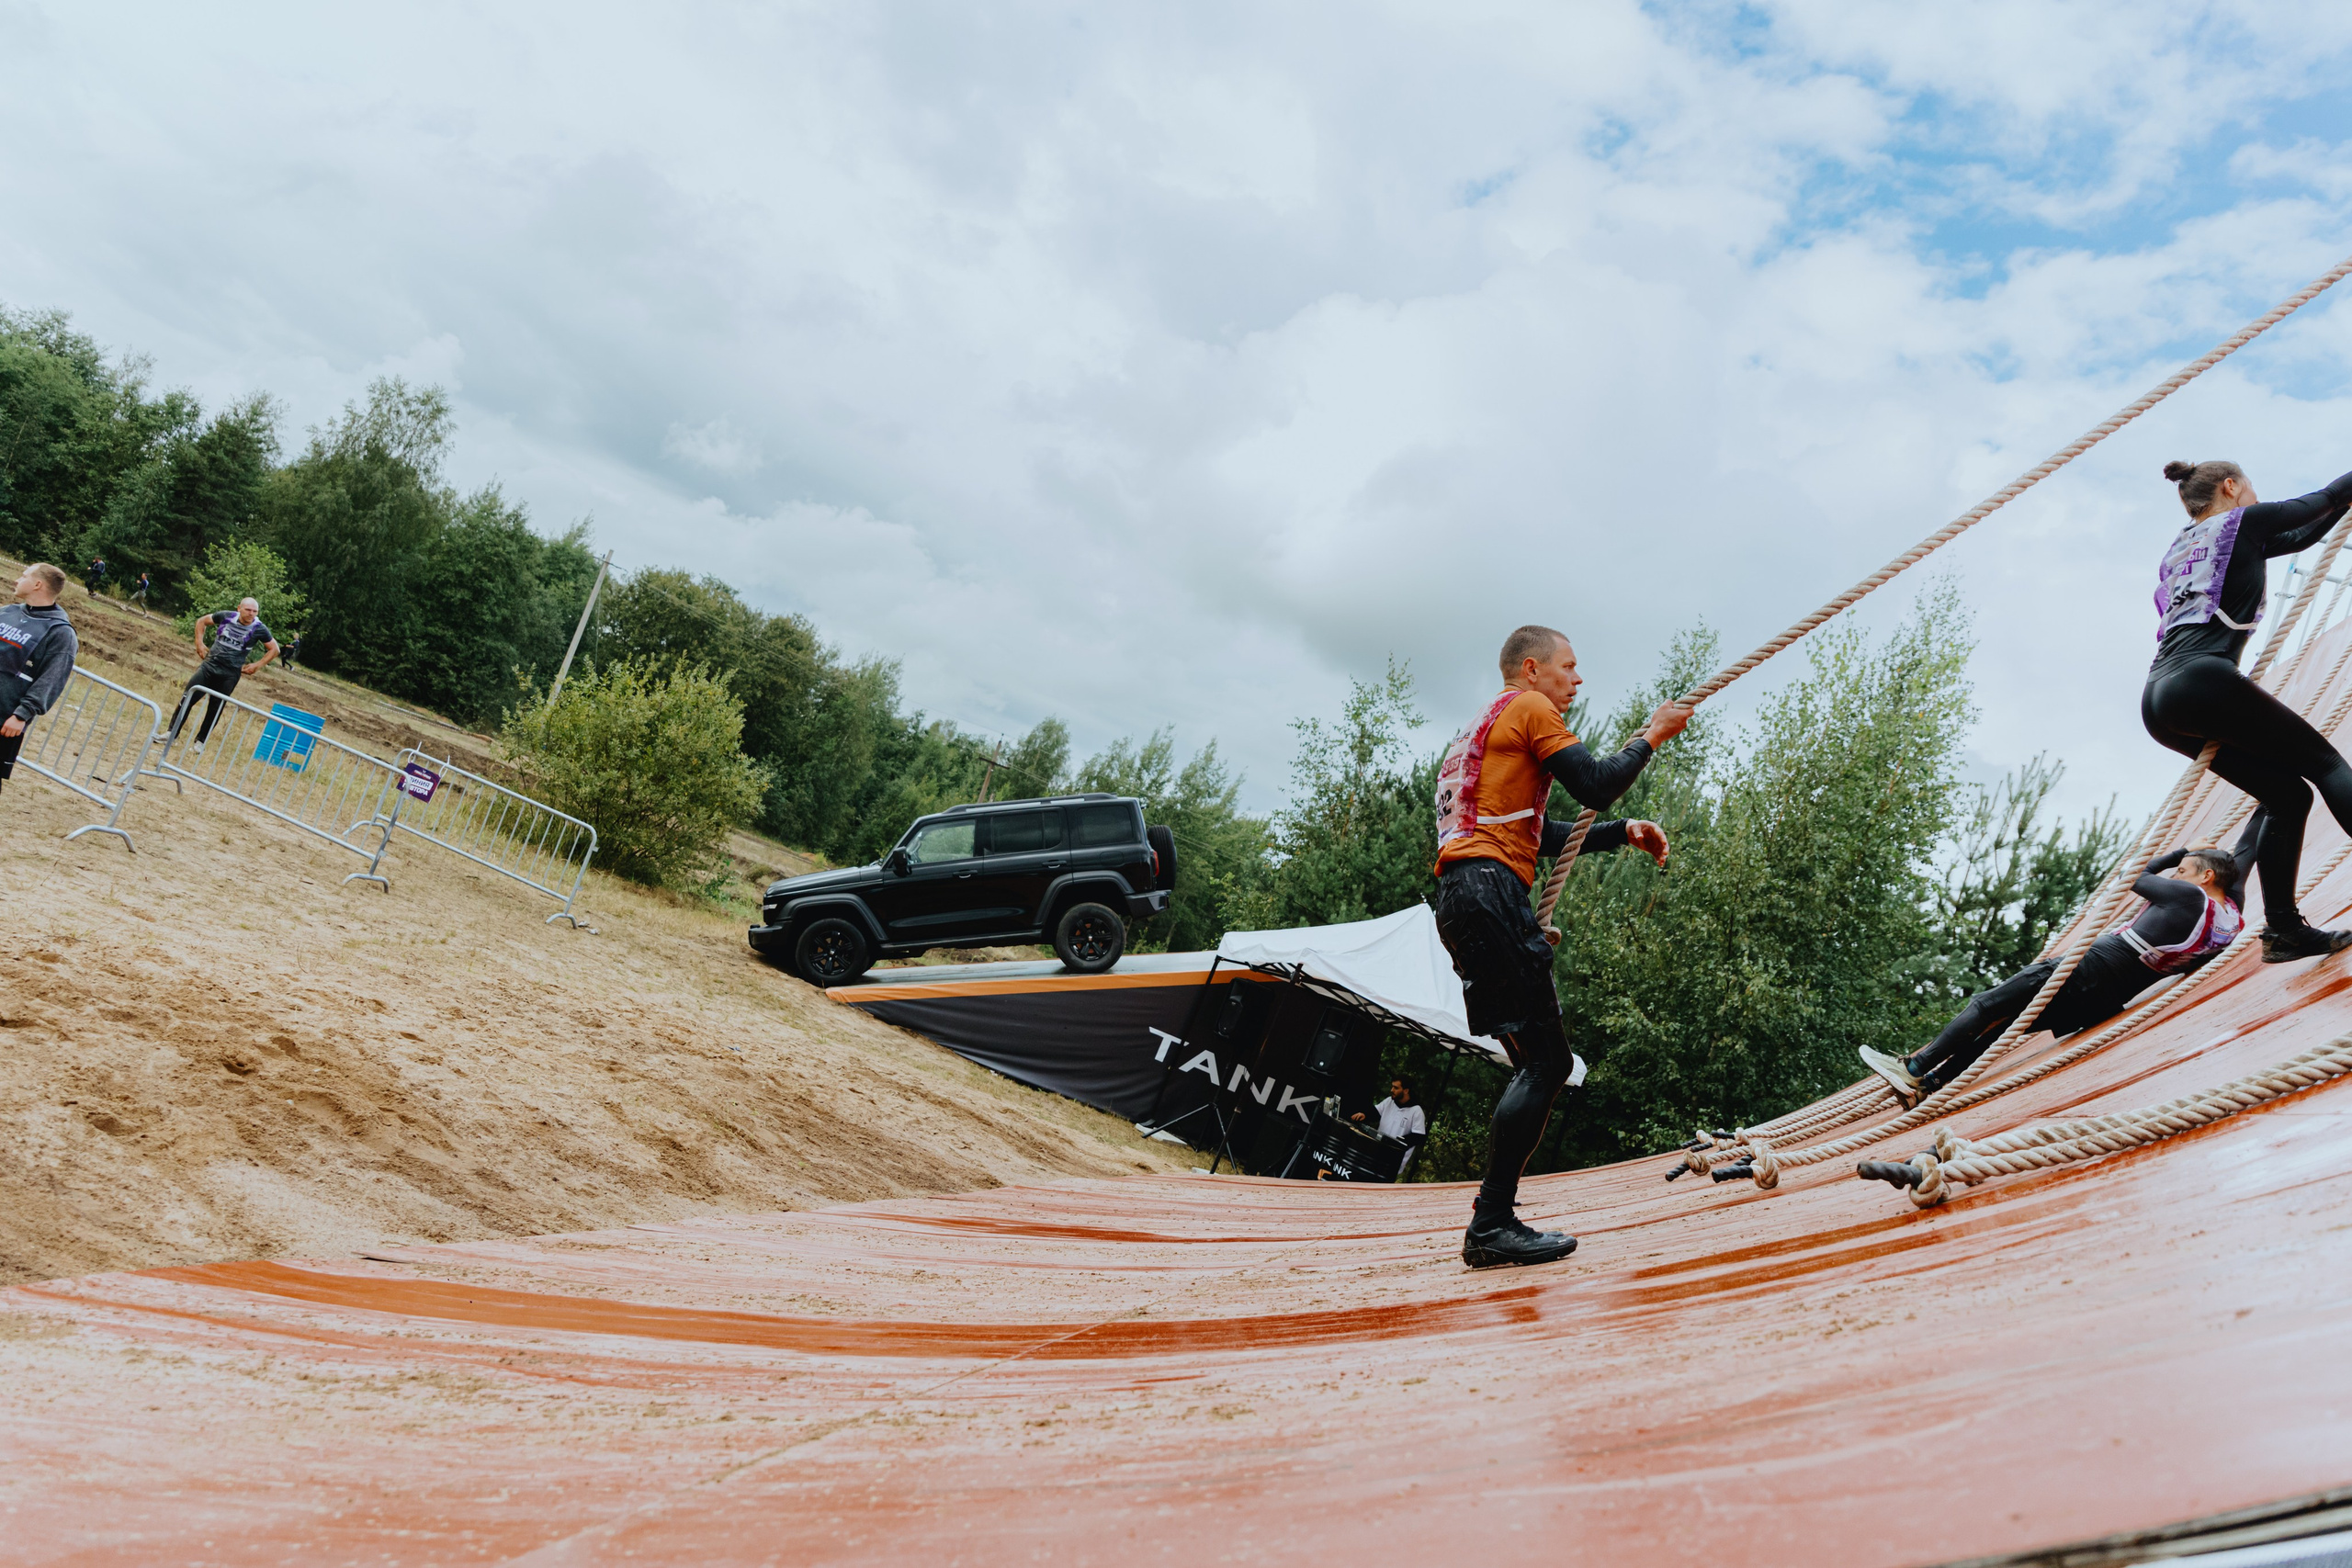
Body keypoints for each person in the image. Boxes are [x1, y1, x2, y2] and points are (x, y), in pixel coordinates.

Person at [1432, 624, 1687, 1269]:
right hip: (1490, 891)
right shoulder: (1530, 707)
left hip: (1465, 896)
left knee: (1538, 1062)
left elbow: (1535, 833)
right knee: (1546, 1064)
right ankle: (1491, 1223)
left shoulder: (1481, 728)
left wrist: (1620, 833)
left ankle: (1493, 1220)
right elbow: (1595, 783)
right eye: (1568, 668)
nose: (1577, 681)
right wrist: (1650, 736)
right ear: (1531, 669)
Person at [1860, 818, 2259, 1109]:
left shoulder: (2190, 898)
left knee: (1988, 1005)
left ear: (2206, 876)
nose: (2175, 875)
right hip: (2106, 997)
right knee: (2005, 1030)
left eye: (2184, 872)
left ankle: (1915, 1066)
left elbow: (2129, 875)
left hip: (2089, 967)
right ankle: (1932, 1085)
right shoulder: (2231, 919)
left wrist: (2180, 851)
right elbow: (2246, 853)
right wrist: (2269, 806)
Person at [2143, 458, 2352, 963]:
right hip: (2202, 678)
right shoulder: (2242, 521)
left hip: (2158, 699)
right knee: (2326, 766)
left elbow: (2301, 536)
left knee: (2285, 795)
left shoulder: (2180, 549)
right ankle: (2283, 928)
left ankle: (2282, 930)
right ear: (2230, 487)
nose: (2257, 498)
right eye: (2252, 487)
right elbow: (2321, 498)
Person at [0, 564, 77, 795]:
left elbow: (52, 679)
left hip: (5, 719)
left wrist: (23, 714)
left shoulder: (60, 632)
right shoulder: (7, 612)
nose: (16, 580)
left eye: (23, 576)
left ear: (37, 584)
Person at [169, 597, 279, 751]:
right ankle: (171, 734)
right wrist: (199, 643)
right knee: (188, 697)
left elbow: (275, 649)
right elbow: (202, 621)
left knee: (215, 708)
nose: (251, 614)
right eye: (248, 610)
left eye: (255, 611)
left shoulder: (260, 628)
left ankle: (200, 742)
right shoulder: (226, 616)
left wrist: (257, 665)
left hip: (230, 673)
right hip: (209, 665)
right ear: (239, 608)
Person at [1350, 1076, 1429, 1178]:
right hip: (1376, 1153)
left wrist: (1397, 1143)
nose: (1392, 1090)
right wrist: (1364, 1115)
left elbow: (1419, 1136)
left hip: (1393, 1161)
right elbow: (1375, 1113)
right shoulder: (1389, 1101)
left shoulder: (1416, 1111)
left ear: (1406, 1090)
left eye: (1396, 1088)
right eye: (1392, 1087)